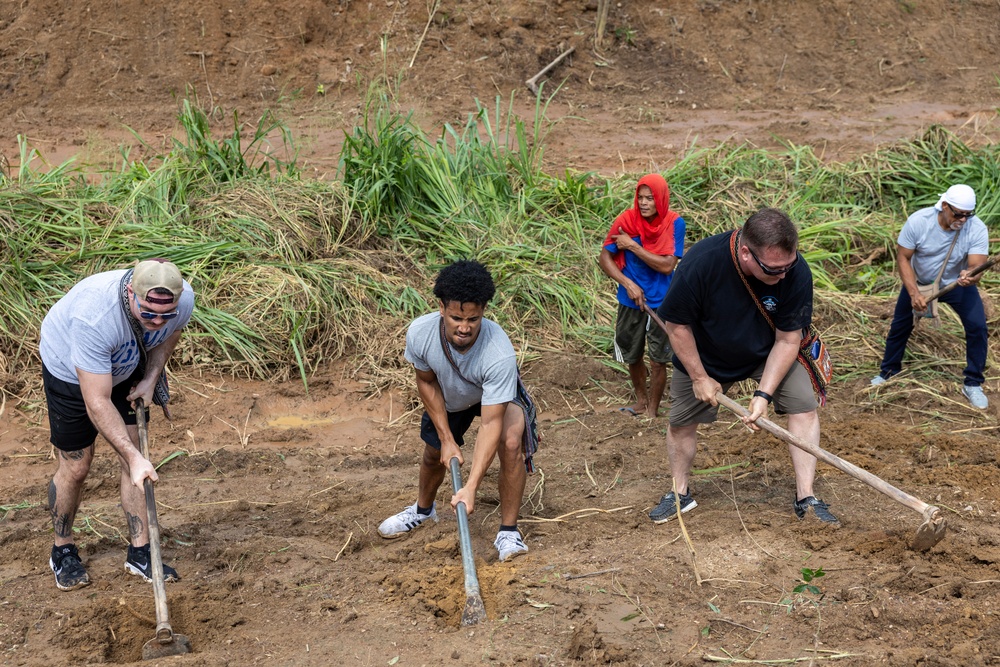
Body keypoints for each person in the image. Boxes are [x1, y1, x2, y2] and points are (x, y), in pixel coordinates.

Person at [648, 208, 839, 526]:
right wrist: (698, 377)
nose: (783, 276)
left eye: (787, 267)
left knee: (803, 407)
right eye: (773, 270)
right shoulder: (702, 262)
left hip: (767, 352)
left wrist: (762, 395)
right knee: (681, 423)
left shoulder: (795, 271)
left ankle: (806, 497)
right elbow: (677, 326)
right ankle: (679, 493)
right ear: (746, 252)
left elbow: (789, 340)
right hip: (704, 353)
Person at [40, 259, 195, 591]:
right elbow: (97, 401)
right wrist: (134, 457)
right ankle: (62, 548)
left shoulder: (181, 303)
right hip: (70, 370)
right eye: (148, 313)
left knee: (134, 456)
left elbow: (172, 331)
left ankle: (140, 553)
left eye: (164, 314)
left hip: (127, 360)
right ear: (130, 293)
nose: (157, 321)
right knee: (77, 465)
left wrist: (151, 378)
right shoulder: (94, 317)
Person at [378, 260, 538, 562]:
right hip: (451, 393)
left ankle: (508, 532)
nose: (464, 327)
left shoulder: (498, 353)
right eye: (456, 318)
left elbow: (491, 423)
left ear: (483, 312)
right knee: (433, 451)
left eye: (473, 320)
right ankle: (423, 511)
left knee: (511, 442)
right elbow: (426, 382)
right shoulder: (421, 333)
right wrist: (446, 438)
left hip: (494, 395)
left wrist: (471, 486)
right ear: (441, 308)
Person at [871, 184, 990, 409]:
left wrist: (970, 276)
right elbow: (904, 258)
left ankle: (973, 383)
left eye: (968, 215)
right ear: (944, 206)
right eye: (958, 214)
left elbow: (977, 265)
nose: (963, 220)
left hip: (957, 285)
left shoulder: (977, 228)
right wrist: (913, 292)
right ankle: (888, 372)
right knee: (900, 326)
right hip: (921, 285)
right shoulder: (919, 222)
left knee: (977, 327)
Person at [599, 173, 686, 418]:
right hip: (630, 299)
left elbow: (668, 265)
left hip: (662, 301)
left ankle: (653, 410)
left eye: (650, 198)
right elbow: (604, 258)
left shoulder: (674, 224)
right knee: (632, 353)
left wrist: (633, 246)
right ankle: (641, 400)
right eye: (640, 198)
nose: (644, 203)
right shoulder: (625, 221)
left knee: (659, 359)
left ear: (661, 199)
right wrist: (628, 283)